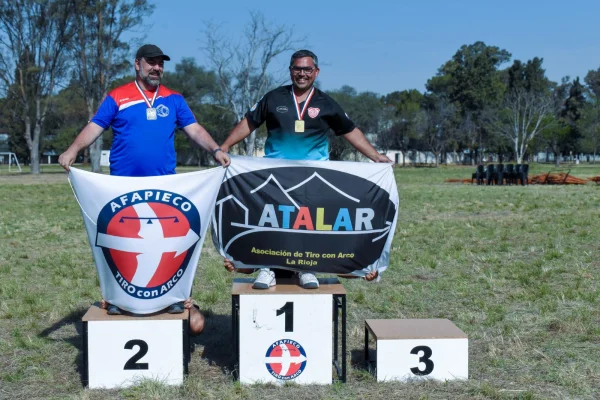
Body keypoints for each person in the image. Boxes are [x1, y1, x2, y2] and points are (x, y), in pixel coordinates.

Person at [59, 44, 230, 335]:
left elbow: (194, 129)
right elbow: (95, 126)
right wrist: (72, 150)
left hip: (165, 189)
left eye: (160, 63)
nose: (156, 68)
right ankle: (120, 299)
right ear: (137, 64)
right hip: (122, 190)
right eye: (151, 62)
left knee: (164, 247)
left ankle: (171, 298)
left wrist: (215, 149)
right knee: (126, 247)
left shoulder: (174, 99)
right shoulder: (118, 96)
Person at [219, 49, 391, 290]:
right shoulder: (273, 98)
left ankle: (306, 268)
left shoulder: (326, 102)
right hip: (276, 175)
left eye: (307, 69)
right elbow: (250, 122)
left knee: (306, 223)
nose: (302, 74)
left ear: (316, 72)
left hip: (314, 178)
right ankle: (268, 267)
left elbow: (349, 130)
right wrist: (225, 146)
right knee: (275, 221)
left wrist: (374, 156)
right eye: (297, 69)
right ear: (290, 71)